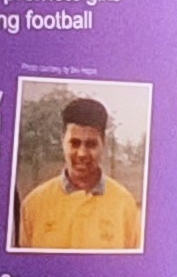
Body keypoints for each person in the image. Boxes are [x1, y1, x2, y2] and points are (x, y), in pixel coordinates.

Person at [16, 95, 142, 250]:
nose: (82, 153)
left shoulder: (125, 205)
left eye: (91, 144)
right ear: (63, 141)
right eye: (74, 143)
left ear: (104, 143)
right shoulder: (34, 205)